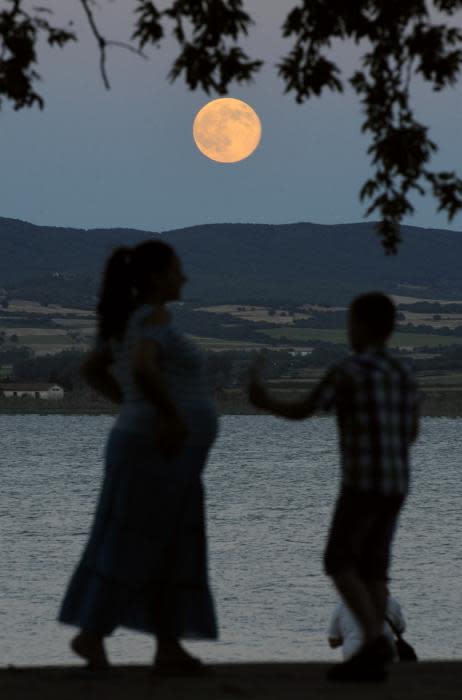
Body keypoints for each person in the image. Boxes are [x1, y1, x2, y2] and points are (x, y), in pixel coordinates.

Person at [59, 240, 219, 675]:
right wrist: (166, 416)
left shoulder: (125, 321)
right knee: (143, 541)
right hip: (156, 449)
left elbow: (93, 369)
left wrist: (132, 406)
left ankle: (165, 645)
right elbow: (146, 368)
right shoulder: (151, 317)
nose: (183, 278)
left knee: (164, 541)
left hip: (151, 447)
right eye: (176, 270)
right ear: (154, 278)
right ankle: (94, 634)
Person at [248, 292, 419, 682]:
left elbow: (303, 410)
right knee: (375, 568)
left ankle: (373, 640)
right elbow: (412, 431)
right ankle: (374, 658)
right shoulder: (404, 371)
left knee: (337, 561)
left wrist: (264, 401)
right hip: (396, 484)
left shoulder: (347, 371)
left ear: (359, 326)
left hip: (360, 483)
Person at [328, 592, 406, 660]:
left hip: (353, 658)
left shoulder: (342, 604)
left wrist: (350, 635)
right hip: (384, 658)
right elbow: (400, 629)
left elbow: (333, 642)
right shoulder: (391, 601)